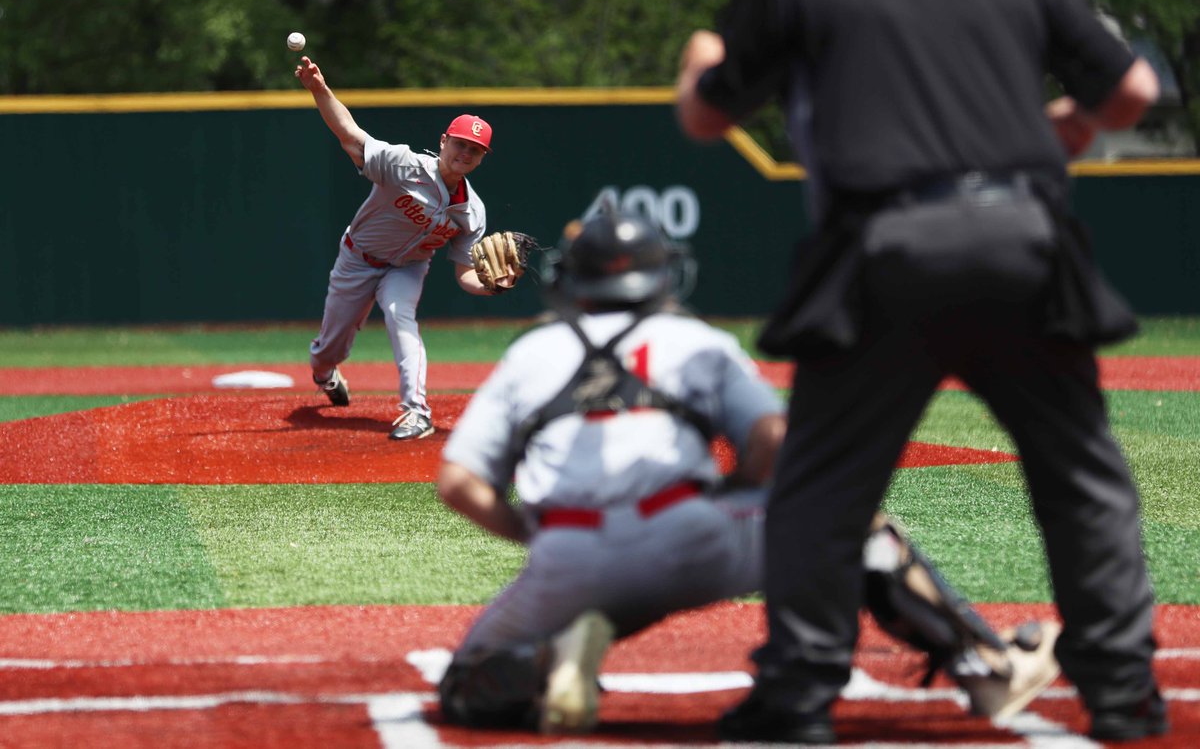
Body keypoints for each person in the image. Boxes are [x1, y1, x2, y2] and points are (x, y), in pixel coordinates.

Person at [674, 0, 1165, 744]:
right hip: (1023, 233)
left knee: (825, 482)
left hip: (884, 245)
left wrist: (699, 57)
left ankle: (800, 692)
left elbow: (709, 116)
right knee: (1081, 476)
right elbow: (1133, 88)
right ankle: (1125, 692)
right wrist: (1061, 123)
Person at [435, 209, 1060, 738]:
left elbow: (459, 484)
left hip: (565, 558)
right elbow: (772, 442)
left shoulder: (532, 352)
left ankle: (548, 658)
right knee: (857, 527)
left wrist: (539, 536)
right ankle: (987, 668)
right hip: (688, 535)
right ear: (660, 277)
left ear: (570, 283)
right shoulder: (692, 339)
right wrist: (730, 495)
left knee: (467, 687)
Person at [295, 55, 513, 440]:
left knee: (400, 317)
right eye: (460, 144)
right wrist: (320, 89)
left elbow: (465, 275)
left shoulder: (471, 212)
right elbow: (349, 133)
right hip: (357, 259)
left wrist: (491, 286)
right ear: (443, 141)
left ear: (482, 158)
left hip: (408, 267)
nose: (465, 154)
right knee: (329, 349)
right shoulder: (402, 165)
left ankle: (417, 412)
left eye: (475, 150)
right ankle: (325, 373)